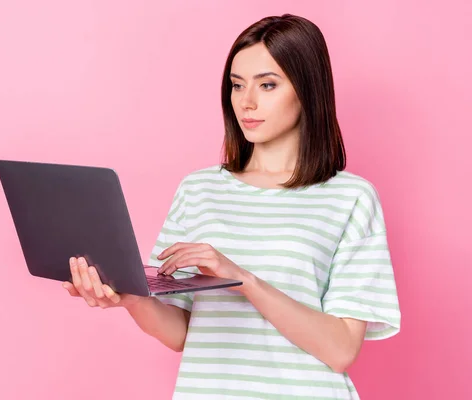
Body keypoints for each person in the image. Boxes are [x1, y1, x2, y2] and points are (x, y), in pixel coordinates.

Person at [62, 14, 401, 399]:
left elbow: (341, 350)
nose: (247, 102)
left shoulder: (351, 198)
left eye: (267, 85)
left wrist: (243, 279)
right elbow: (183, 333)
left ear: (307, 90)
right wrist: (131, 298)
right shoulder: (199, 189)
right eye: (237, 86)